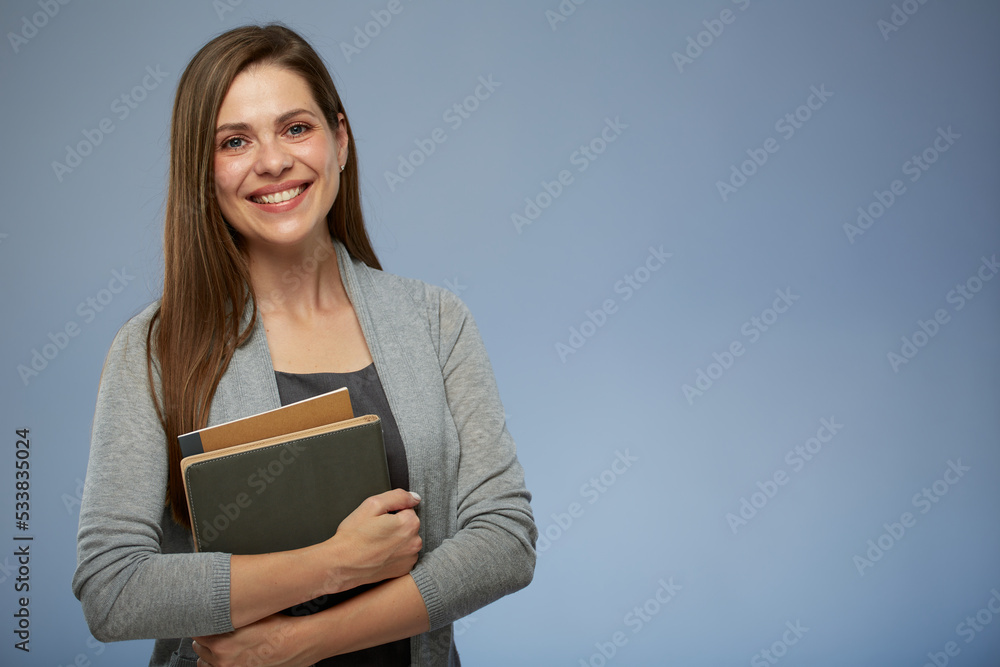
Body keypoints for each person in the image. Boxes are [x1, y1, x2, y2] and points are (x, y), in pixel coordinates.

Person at [72, 23, 536, 667]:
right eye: (235, 142)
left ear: (339, 140)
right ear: (203, 172)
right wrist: (329, 565)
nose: (272, 161)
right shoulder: (155, 348)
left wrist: (303, 644)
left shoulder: (435, 321)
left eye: (296, 129)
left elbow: (505, 541)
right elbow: (112, 589)